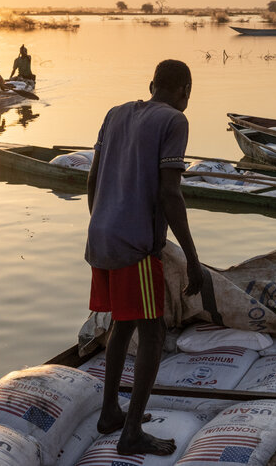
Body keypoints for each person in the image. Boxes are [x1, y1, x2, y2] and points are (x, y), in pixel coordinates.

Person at [85, 59, 210, 456]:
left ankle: (110, 413)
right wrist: (193, 258)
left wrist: (102, 220)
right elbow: (170, 193)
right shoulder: (175, 121)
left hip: (101, 236)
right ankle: (131, 433)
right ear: (185, 91)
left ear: (151, 83)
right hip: (135, 244)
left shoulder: (116, 112)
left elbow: (92, 176)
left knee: (123, 323)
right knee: (153, 332)